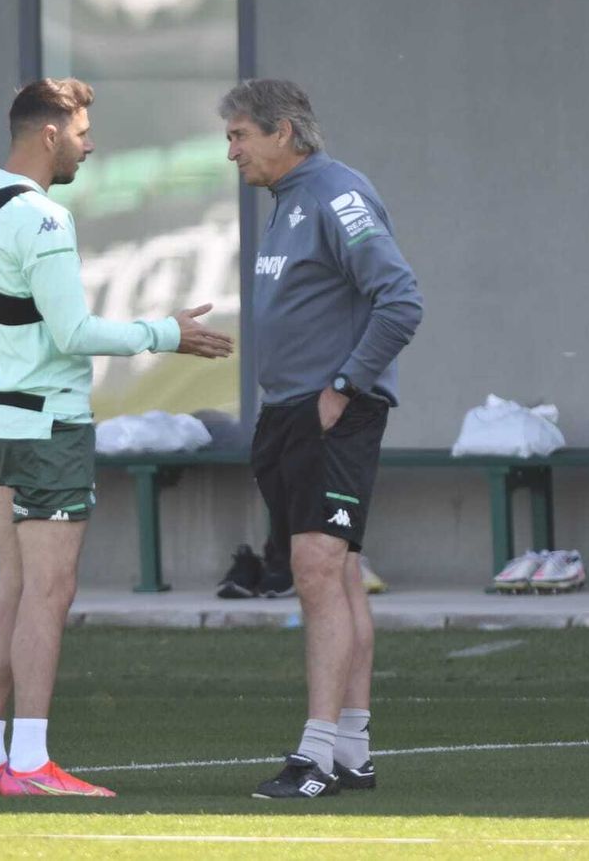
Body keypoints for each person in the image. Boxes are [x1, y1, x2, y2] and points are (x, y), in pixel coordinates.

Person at [0, 78, 234, 797]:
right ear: (49, 134)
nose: (90, 146)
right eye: (82, 134)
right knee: (48, 594)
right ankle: (28, 765)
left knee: (13, 589)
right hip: (47, 426)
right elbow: (73, 332)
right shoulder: (44, 217)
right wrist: (166, 333)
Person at [220, 79, 423, 799]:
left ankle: (316, 757)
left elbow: (401, 300)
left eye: (240, 136)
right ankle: (353, 752)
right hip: (289, 414)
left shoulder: (338, 194)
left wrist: (344, 385)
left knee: (316, 571)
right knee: (334, 576)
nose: (232, 152)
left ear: (283, 132)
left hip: (331, 413)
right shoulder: (287, 202)